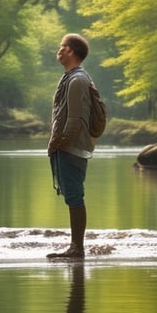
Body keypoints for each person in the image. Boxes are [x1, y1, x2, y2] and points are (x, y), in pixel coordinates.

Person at [47, 33, 96, 259]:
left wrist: (60, 143)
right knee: (72, 196)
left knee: (75, 196)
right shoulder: (71, 77)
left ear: (72, 51)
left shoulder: (77, 80)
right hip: (68, 146)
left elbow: (75, 120)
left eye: (63, 47)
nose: (59, 50)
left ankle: (77, 248)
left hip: (71, 148)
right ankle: (76, 247)